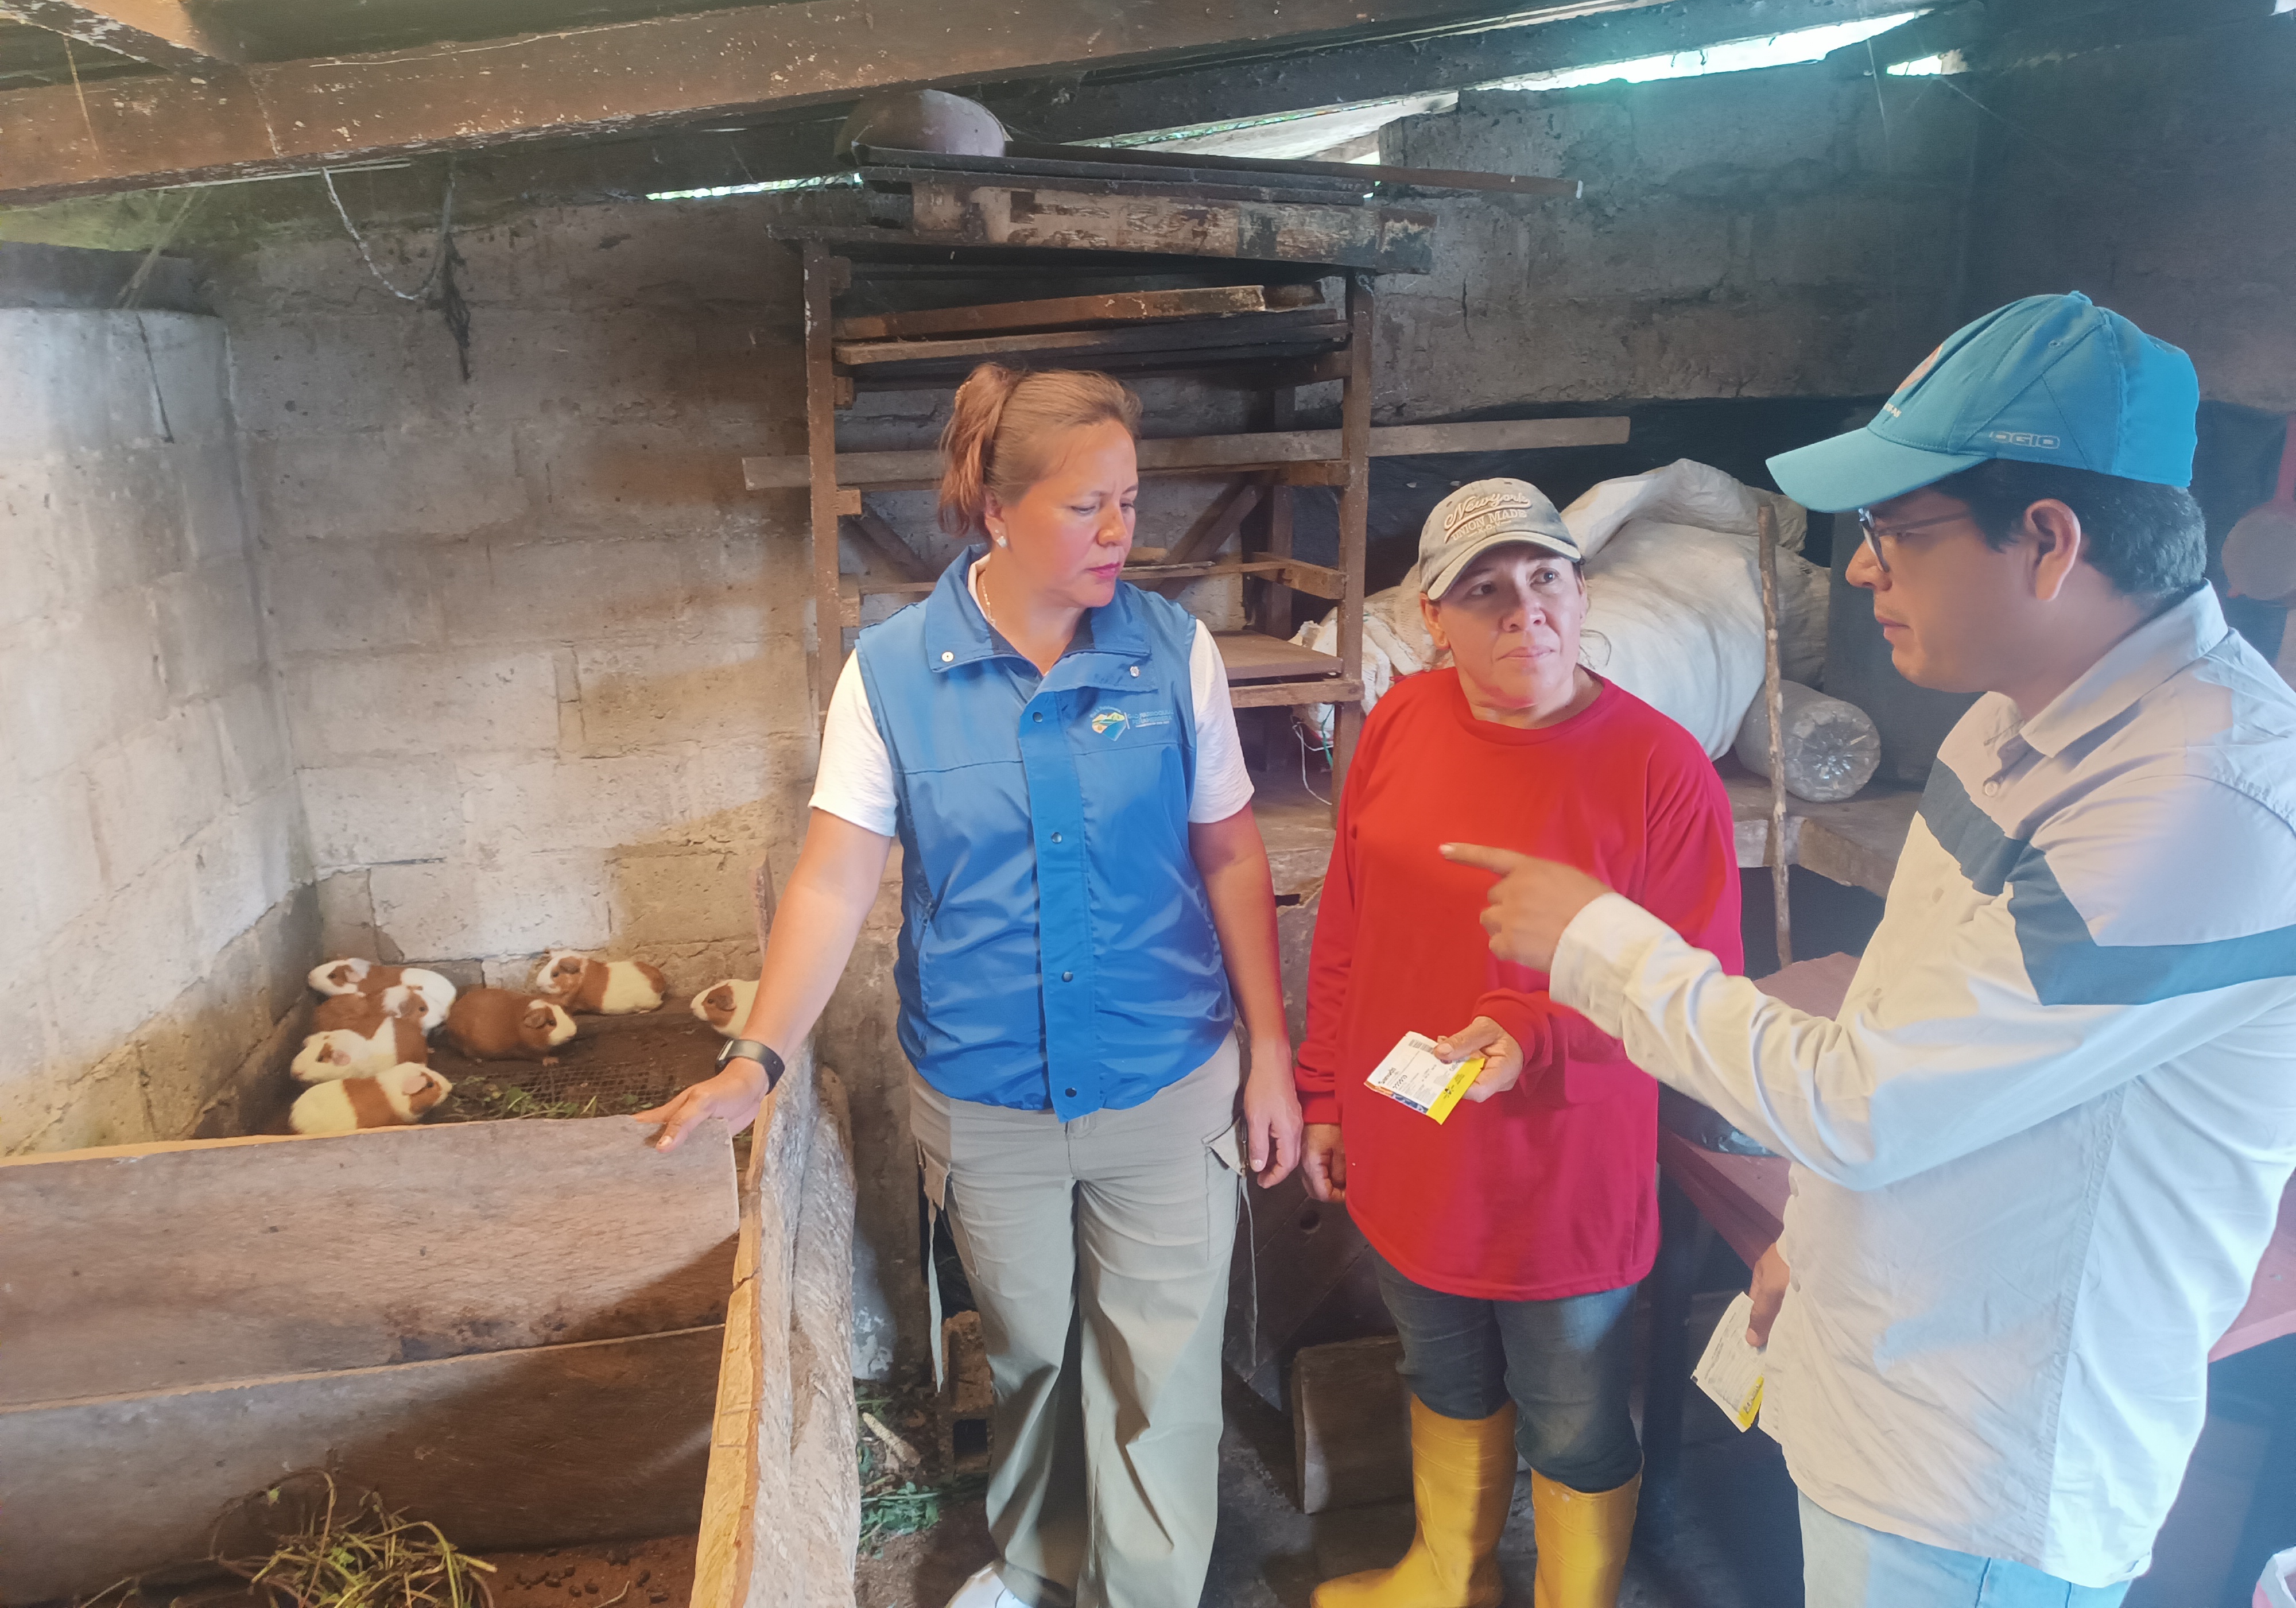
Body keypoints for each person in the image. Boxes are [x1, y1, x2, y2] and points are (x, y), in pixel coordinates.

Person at [1443, 293, 2296, 1605]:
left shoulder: (2201, 803)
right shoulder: (2014, 721)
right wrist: (1822, 1236)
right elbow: (1915, 1030)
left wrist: (1599, 944)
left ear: (2048, 541)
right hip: (1895, 1379)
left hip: (1977, 1482)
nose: (1856, 569)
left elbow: (1867, 1100)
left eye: (1897, 533)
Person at [640, 364, 1304, 1608]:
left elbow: (1228, 851)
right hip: (989, 1096)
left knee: (1160, 1379)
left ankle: (1145, 1593)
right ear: (999, 511)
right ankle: (1043, 1566)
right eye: (1085, 507)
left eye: (1129, 501)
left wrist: (1271, 1053)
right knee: (1033, 1356)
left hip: (1166, 1080)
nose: (1119, 532)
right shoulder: (892, 674)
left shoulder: (1175, 655)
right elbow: (834, 879)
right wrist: (757, 1059)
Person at [1296, 481, 1742, 1608]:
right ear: (1432, 619)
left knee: (1574, 1418)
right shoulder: (1399, 723)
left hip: (1564, 1172)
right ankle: (1449, 1578)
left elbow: (1700, 996)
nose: (1524, 610)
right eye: (1483, 590)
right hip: (1412, 1142)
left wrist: (1530, 1033)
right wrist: (1325, 1094)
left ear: (1582, 594)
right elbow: (1349, 921)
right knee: (1439, 1369)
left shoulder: (1661, 770)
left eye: (1546, 577)